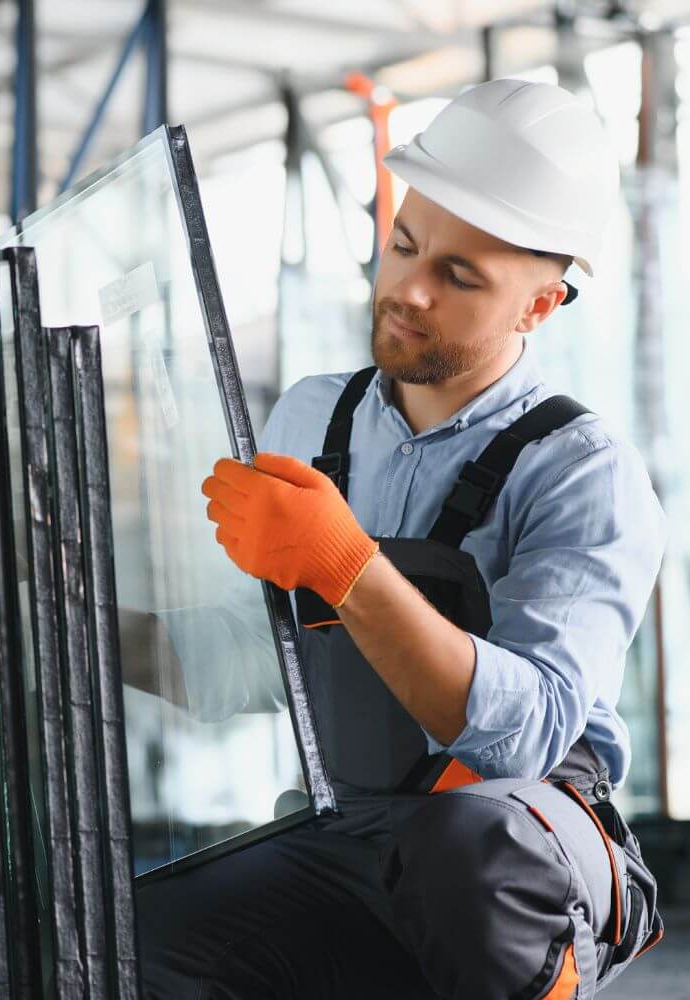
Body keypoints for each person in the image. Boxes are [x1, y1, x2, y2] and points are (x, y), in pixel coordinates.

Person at [135, 78, 667, 999]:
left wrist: (342, 565)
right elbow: (255, 659)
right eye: (405, 246)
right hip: (355, 829)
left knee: (465, 848)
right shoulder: (314, 415)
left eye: (459, 276)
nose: (408, 289)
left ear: (538, 307)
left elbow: (528, 736)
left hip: (531, 843)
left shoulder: (584, 470)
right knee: (148, 931)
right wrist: (66, 631)